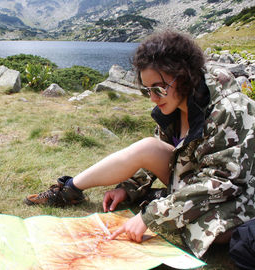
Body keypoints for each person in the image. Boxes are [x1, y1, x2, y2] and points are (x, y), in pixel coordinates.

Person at [24, 30, 255, 260]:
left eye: (158, 88)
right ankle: (69, 190)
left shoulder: (228, 110)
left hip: (239, 193)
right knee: (148, 147)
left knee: (213, 232)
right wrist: (129, 187)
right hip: (193, 179)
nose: (153, 98)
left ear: (183, 76)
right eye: (147, 90)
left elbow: (223, 183)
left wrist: (149, 217)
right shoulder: (176, 103)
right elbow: (164, 152)